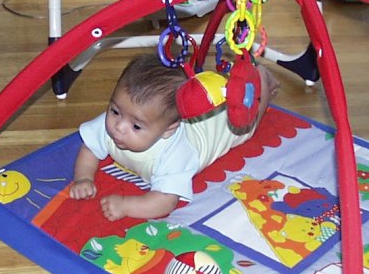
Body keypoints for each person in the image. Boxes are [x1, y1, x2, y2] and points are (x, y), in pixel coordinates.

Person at [69, 53, 280, 221]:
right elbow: (89, 149)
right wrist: (83, 178)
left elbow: (165, 201)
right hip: (193, 108)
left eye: (136, 126)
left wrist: (127, 206)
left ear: (168, 130)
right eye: (115, 110)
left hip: (224, 123)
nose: (119, 127)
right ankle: (224, 85)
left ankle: (261, 77)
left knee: (248, 121)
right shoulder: (120, 117)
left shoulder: (174, 155)